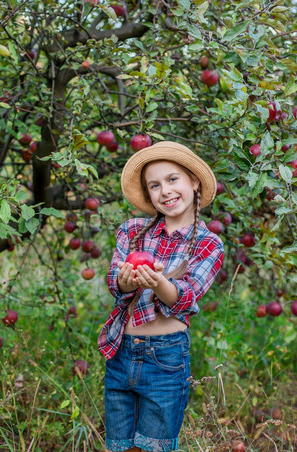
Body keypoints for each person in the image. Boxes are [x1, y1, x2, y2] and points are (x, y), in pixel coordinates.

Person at [98, 141, 224, 452]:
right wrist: (128, 281)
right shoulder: (131, 231)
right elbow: (116, 284)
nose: (165, 191)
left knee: (154, 447)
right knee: (119, 446)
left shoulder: (209, 244)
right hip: (121, 351)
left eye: (172, 179)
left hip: (165, 359)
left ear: (193, 182)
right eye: (154, 185)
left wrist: (157, 282)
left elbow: (184, 299)